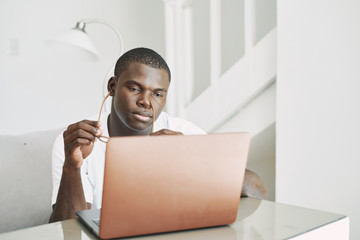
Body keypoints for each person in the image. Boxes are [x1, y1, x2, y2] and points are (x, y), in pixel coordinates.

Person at [49, 47, 266, 223]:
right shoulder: (76, 142)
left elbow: (257, 191)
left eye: (157, 94)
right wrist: (72, 166)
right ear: (113, 87)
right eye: (135, 88)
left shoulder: (183, 133)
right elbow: (66, 230)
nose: (146, 101)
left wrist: (193, 160)